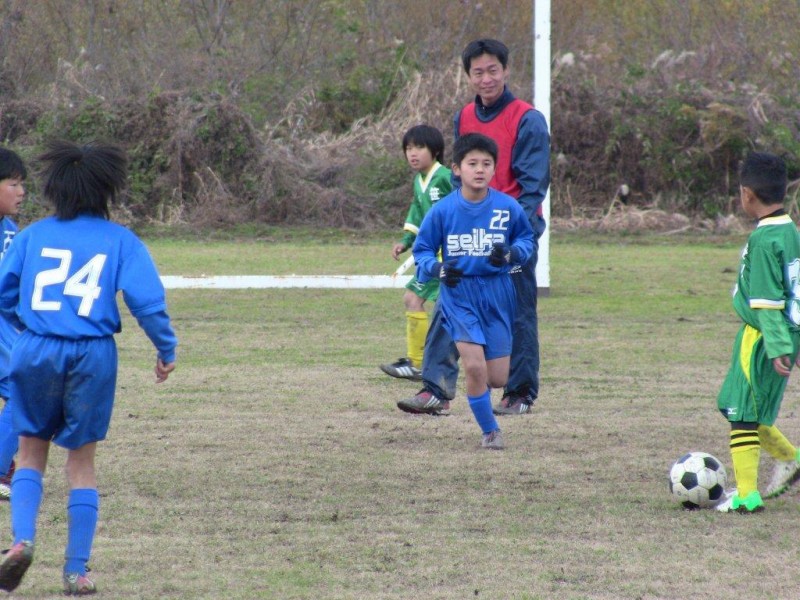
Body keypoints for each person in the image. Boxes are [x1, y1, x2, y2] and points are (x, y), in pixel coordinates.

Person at [0, 140, 178, 594]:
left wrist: (30, 323)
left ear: (55, 188)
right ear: (106, 190)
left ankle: (21, 541)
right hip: (92, 354)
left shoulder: (32, 235)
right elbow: (147, 303)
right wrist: (166, 348)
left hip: (35, 348)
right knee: (81, 463)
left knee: (30, 453)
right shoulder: (121, 240)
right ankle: (76, 571)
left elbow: (4, 292)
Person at [398, 38, 550, 416]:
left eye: (493, 70)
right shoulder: (464, 116)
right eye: (477, 72)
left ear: (506, 70)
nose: (486, 79)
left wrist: (512, 242)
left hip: (508, 237)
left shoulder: (527, 118)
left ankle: (519, 392)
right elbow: (458, 178)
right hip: (468, 235)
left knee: (517, 311)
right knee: (448, 306)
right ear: (468, 76)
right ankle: (436, 389)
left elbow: (533, 188)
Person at [411, 133, 533, 449]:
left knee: (497, 378)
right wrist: (437, 269)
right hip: (459, 294)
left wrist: (511, 254)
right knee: (474, 367)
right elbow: (422, 250)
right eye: (472, 163)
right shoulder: (443, 211)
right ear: (457, 169)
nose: (479, 170)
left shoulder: (507, 207)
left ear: (494, 169)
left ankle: (482, 397)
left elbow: (526, 240)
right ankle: (490, 431)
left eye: (486, 164)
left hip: (498, 293)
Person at [715, 152, 800, 514]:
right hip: (783, 334)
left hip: (763, 337)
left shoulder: (765, 240)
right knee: (743, 406)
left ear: (747, 194)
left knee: (743, 412)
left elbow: (767, 301)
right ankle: (790, 458)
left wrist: (778, 344)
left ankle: (747, 497)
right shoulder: (790, 230)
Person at [380, 125, 452, 381]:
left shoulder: (445, 177)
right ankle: (420, 362)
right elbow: (417, 214)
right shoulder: (419, 181)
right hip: (431, 257)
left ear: (435, 151)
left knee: (418, 300)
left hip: (446, 258)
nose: (413, 153)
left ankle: (420, 363)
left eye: (419, 147)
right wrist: (406, 240)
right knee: (417, 300)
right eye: (408, 148)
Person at [0, 148, 27, 500]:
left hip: (8, 332)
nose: (22, 192)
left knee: (23, 394)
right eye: (13, 184)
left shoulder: (12, 232)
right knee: (25, 394)